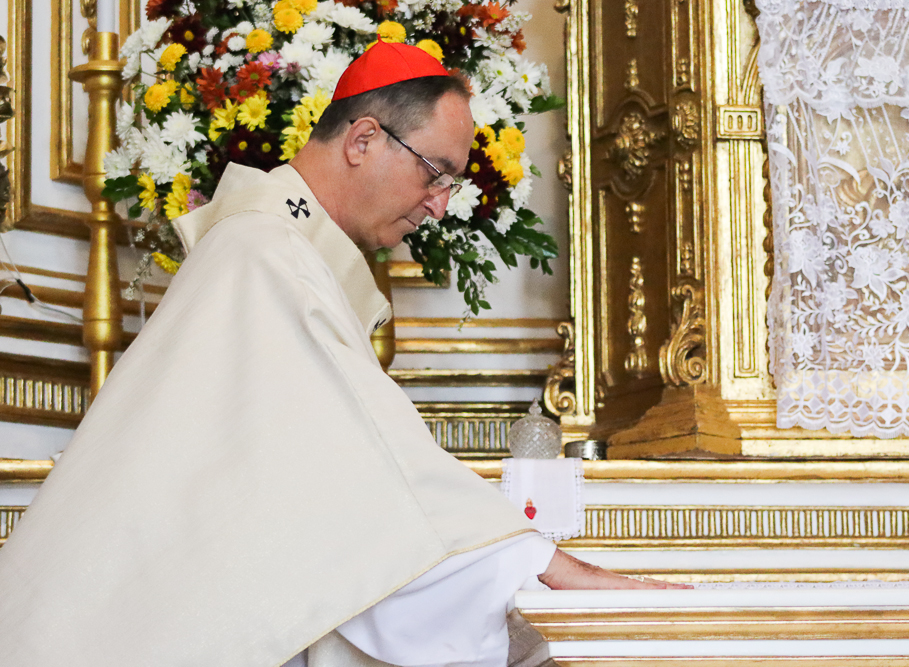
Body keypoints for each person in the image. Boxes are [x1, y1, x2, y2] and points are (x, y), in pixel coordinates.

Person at [0, 40, 678, 667]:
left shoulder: (280, 251)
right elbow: (385, 471)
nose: (440, 205)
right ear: (363, 140)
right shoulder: (266, 254)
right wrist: (544, 564)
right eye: (435, 173)